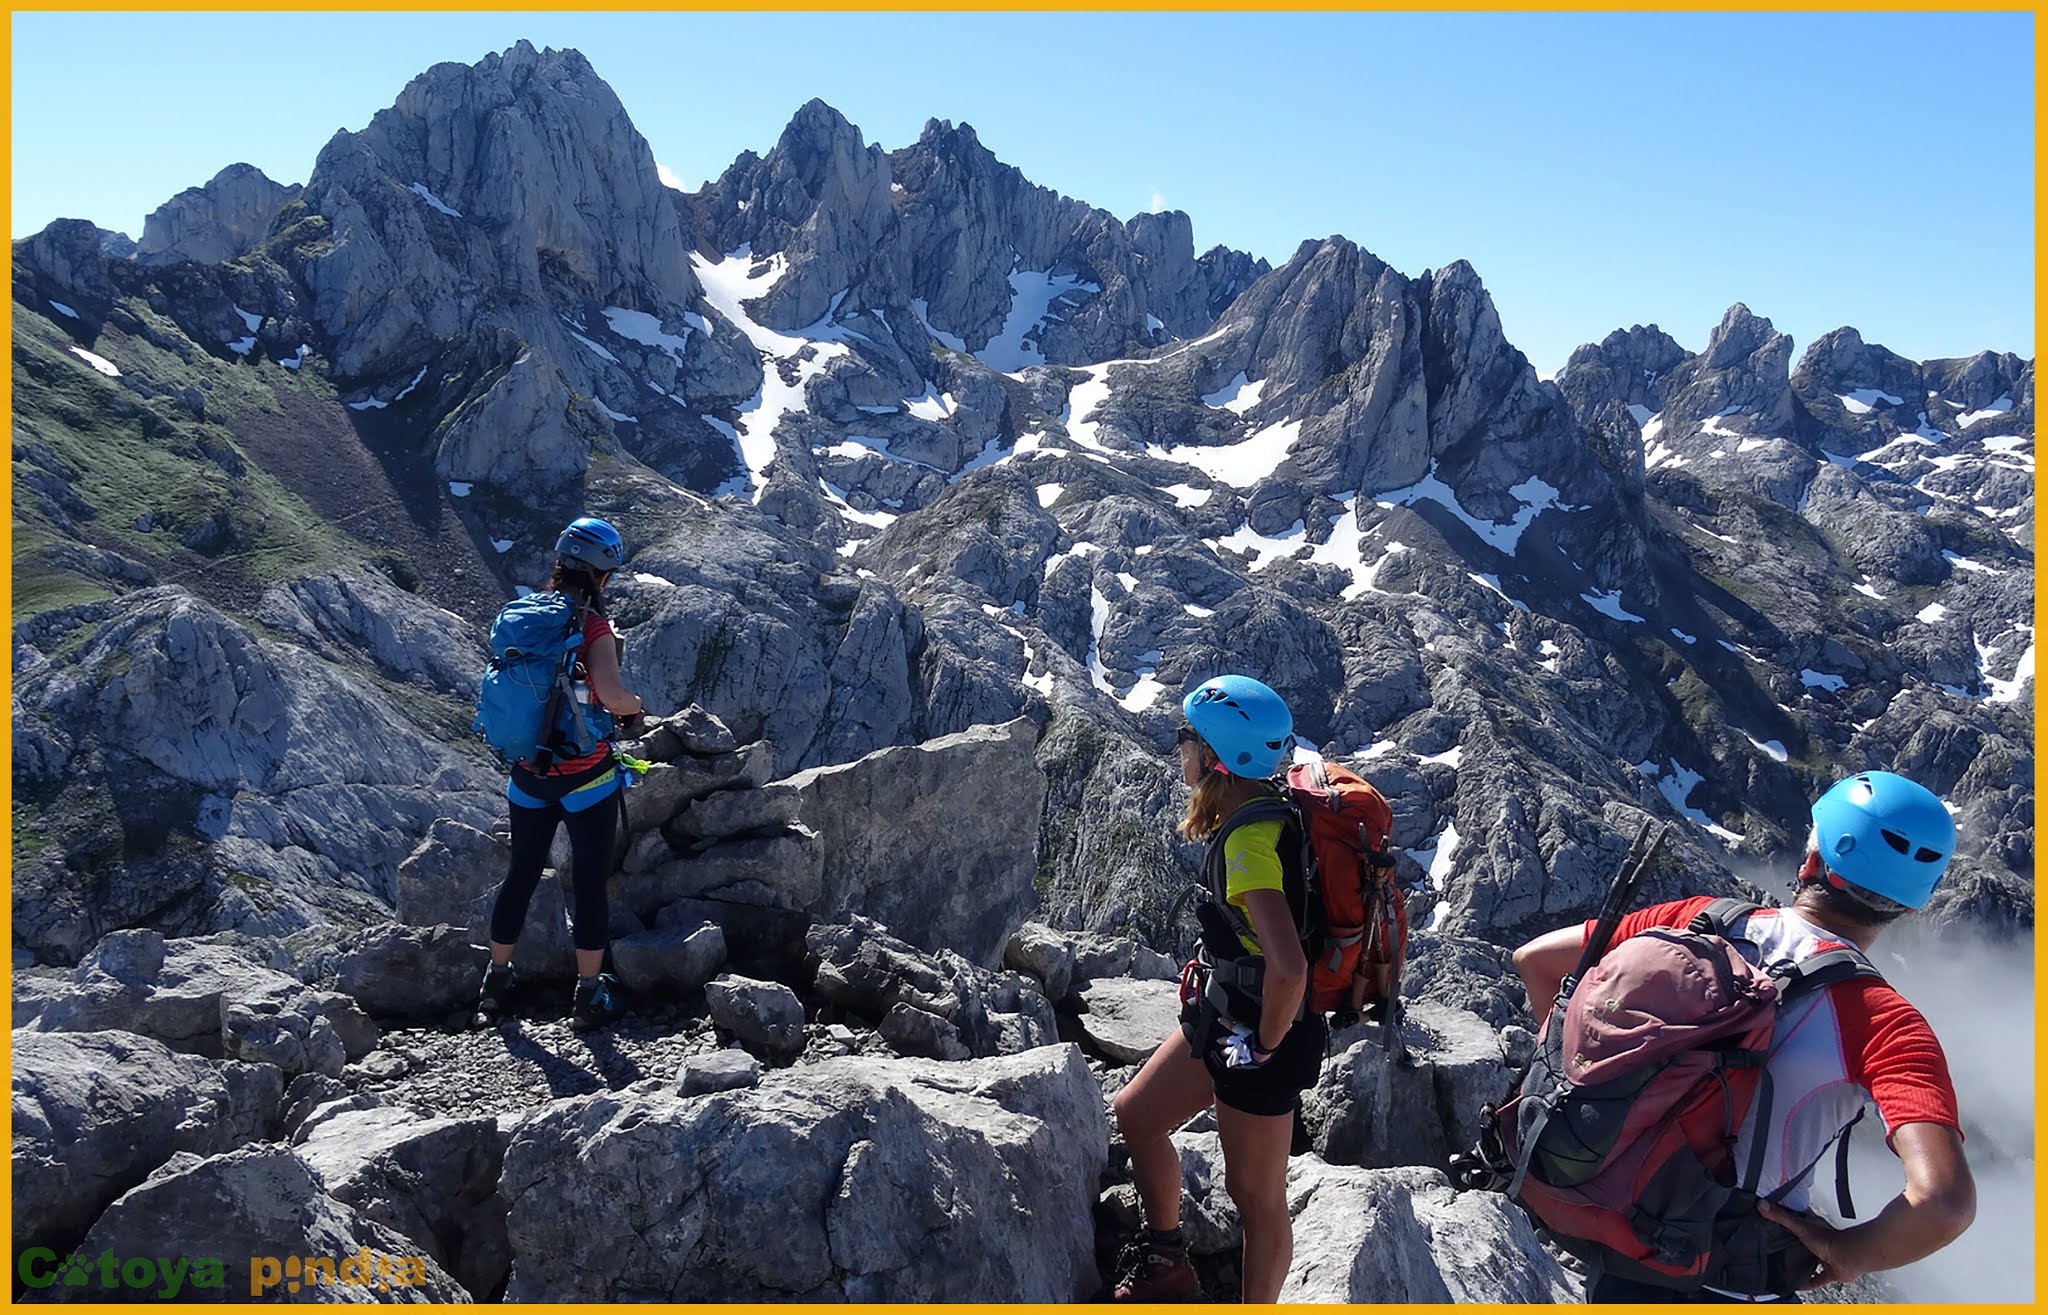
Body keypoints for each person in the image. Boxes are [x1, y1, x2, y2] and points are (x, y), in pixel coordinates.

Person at [1510, 771, 1976, 1302]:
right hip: (1719, 1271)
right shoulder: (1886, 1023)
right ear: (1912, 905)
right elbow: (1944, 1202)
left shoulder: (1696, 919)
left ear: (1812, 863)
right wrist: (1852, 1253)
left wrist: (1579, 1080)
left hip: (1593, 1213)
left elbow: (1536, 961)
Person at [1110, 675, 1326, 1304]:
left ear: (1214, 758)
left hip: (1264, 1032)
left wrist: (1262, 1044)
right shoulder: (1259, 812)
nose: (1179, 748)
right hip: (1225, 1011)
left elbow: (1289, 969)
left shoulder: (1252, 845)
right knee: (1137, 1115)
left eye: (1187, 737)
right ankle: (1167, 1257)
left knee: (1256, 1198)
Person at [476, 517, 649, 1031]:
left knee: (521, 875)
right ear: (603, 576)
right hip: (583, 776)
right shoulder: (591, 626)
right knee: (590, 882)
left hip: (528, 772)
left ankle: (496, 980)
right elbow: (613, 696)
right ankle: (589, 994)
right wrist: (635, 708)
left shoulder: (525, 614)